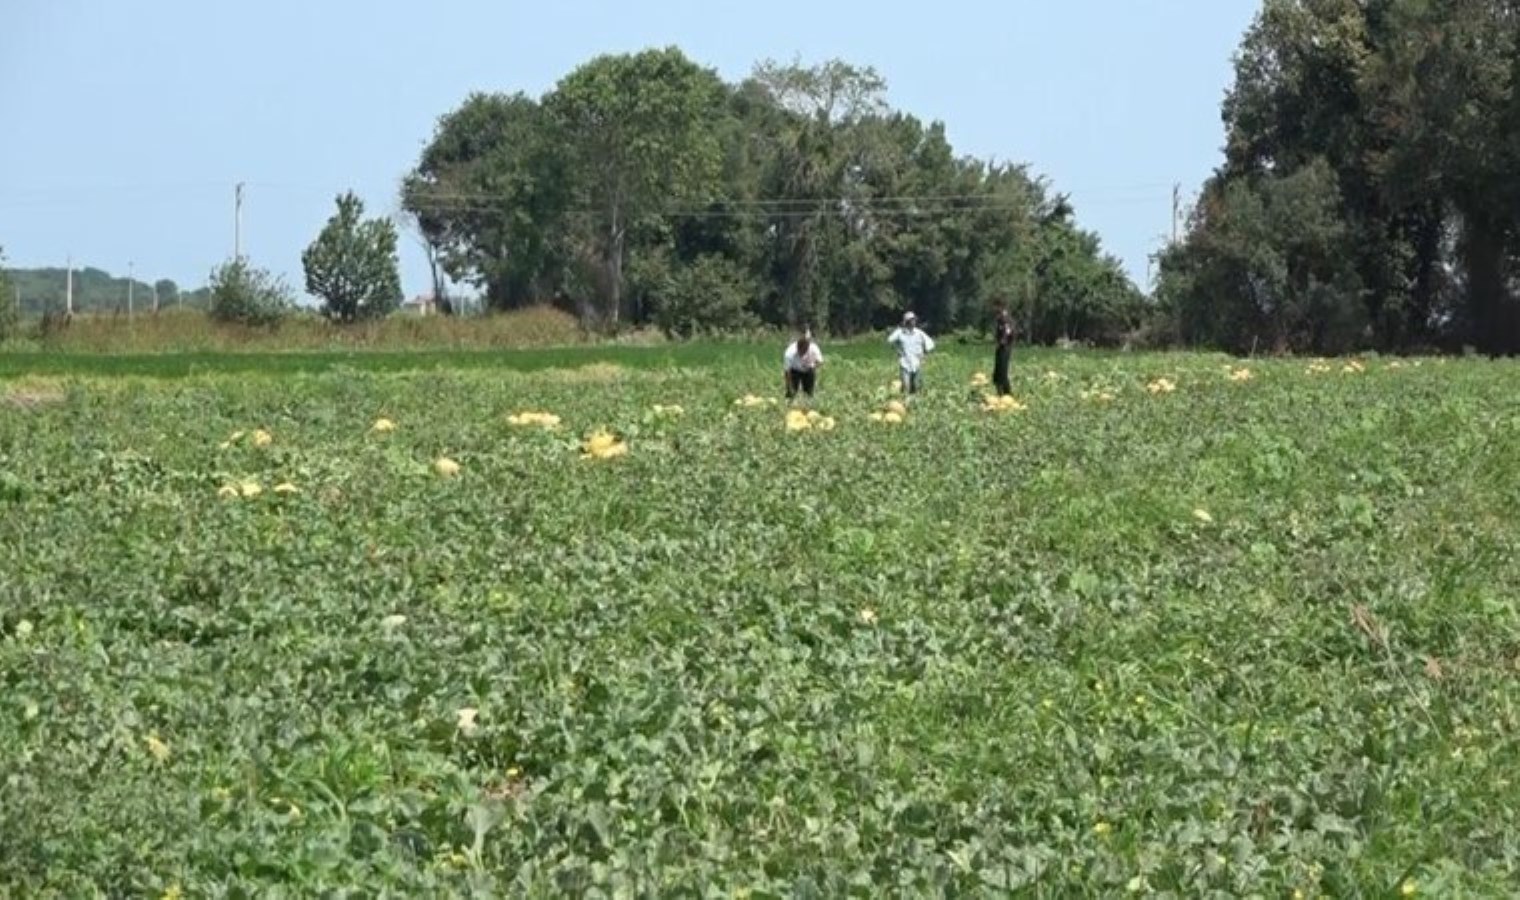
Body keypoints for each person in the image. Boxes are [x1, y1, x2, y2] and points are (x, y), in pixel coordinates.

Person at [887, 312, 935, 396]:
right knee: (906, 386)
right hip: (905, 363)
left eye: (914, 320)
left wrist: (924, 353)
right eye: (911, 320)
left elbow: (930, 343)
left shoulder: (919, 333)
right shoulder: (900, 333)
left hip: (917, 363)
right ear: (906, 322)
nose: (913, 322)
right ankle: (905, 403)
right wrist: (897, 349)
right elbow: (890, 340)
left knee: (916, 386)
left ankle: (915, 404)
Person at [783, 329, 824, 401]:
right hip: (794, 370)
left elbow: (820, 362)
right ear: (797, 347)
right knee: (791, 392)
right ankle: (789, 403)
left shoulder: (814, 348)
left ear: (808, 348)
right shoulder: (789, 353)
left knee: (809, 392)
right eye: (800, 351)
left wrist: (812, 365)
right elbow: (787, 372)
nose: (801, 354)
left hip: (809, 369)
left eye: (804, 351)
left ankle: (808, 405)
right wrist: (790, 386)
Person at [993, 306, 1015, 396]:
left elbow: (1008, 332)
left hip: (1005, 349)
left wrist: (1003, 341)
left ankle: (1007, 394)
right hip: (1000, 348)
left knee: (1002, 372)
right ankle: (999, 393)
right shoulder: (1000, 321)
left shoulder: (1007, 321)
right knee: (997, 373)